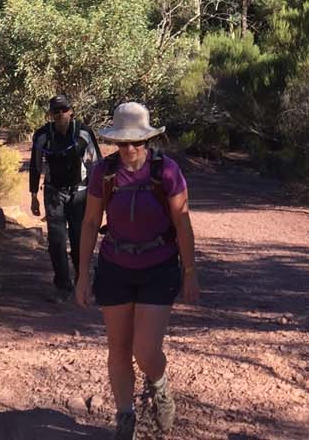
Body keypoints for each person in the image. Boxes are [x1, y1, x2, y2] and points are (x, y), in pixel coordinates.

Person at [76, 102, 199, 440]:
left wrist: (190, 271)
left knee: (145, 351)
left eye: (136, 142)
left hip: (158, 267)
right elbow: (89, 223)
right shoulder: (105, 172)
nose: (129, 149)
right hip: (115, 266)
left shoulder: (167, 171)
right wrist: (82, 275)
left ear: (147, 140)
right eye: (123, 142)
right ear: (114, 142)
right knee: (117, 348)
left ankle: (158, 385)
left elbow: (183, 223)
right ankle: (125, 416)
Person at [29, 95, 101, 299]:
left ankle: (82, 280)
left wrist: (99, 195)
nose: (60, 114)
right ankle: (62, 284)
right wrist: (33, 195)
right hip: (53, 192)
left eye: (63, 110)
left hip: (80, 192)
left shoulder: (84, 133)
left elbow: (97, 164)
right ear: (51, 114)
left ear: (71, 111)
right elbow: (35, 166)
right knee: (57, 239)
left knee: (79, 237)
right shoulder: (43, 136)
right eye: (55, 111)